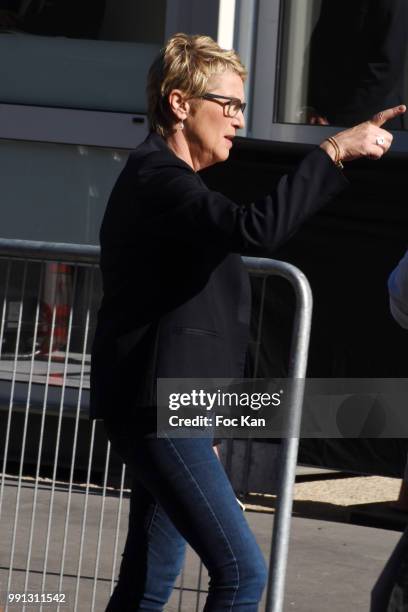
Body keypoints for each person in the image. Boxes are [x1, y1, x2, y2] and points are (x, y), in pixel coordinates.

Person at [90, 32, 404, 611]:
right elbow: (253, 229)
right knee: (241, 572)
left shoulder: (170, 183)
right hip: (162, 410)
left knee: (150, 582)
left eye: (242, 106)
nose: (238, 120)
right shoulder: (158, 179)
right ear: (180, 104)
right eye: (228, 104)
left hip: (180, 408)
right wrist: (333, 152)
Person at [307, 0, 407, 129]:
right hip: (325, 119)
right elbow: (321, 45)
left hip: (368, 123)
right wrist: (313, 107)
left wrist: (339, 123)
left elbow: (385, 66)